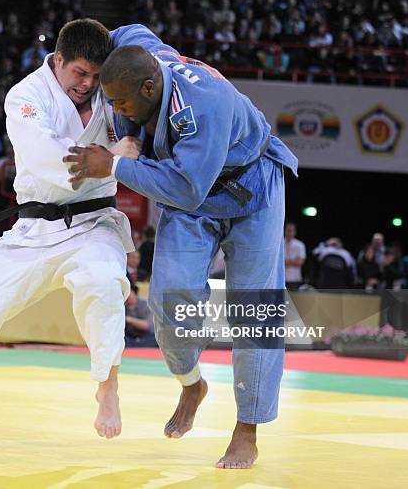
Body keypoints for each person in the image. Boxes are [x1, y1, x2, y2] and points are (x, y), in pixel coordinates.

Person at [64, 24, 298, 469]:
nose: (116, 111)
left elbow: (188, 189)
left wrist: (112, 163)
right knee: (169, 300)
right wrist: (72, 49)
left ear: (149, 88)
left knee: (254, 310)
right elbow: (123, 30)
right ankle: (192, 383)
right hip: (192, 193)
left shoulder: (202, 106)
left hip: (251, 187)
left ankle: (247, 428)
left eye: (121, 102)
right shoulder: (142, 55)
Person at [0, 19, 136, 454]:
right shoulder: (25, 96)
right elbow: (47, 158)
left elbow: (139, 141)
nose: (88, 84)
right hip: (31, 230)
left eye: (96, 76)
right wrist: (113, 154)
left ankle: (107, 386)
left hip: (93, 225)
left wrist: (120, 151)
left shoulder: (112, 91)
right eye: (80, 72)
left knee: (102, 284)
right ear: (58, 60)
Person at [124, 281, 157, 347]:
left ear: (134, 292)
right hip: (130, 337)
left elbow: (148, 326)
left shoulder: (146, 304)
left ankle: (136, 346)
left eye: (129, 293)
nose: (128, 296)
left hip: (146, 336)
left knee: (155, 340)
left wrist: (130, 320)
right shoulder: (122, 306)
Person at [284, 221, 306, 290]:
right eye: (287, 230)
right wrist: (293, 261)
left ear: (295, 232)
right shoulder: (279, 243)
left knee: (293, 299)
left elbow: (300, 262)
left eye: (291, 231)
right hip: (282, 278)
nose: (289, 233)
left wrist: (285, 262)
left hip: (295, 279)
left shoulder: (300, 245)